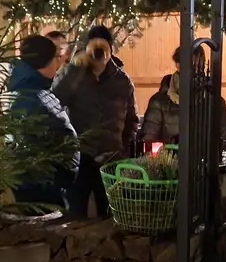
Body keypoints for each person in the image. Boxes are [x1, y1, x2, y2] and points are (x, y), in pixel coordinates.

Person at [52, 25, 138, 218]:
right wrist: (75, 68)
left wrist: (122, 148)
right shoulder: (74, 74)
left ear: (111, 49)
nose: (99, 52)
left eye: (104, 46)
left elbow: (132, 118)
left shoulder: (122, 81)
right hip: (80, 157)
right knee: (75, 214)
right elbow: (56, 100)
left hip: (111, 159)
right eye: (94, 46)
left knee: (111, 215)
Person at [7, 34, 78, 207]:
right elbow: (31, 148)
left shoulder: (38, 91)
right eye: (55, 57)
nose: (58, 63)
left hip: (50, 189)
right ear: (44, 61)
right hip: (41, 192)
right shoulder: (31, 98)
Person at [139, 45, 226, 148]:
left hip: (205, 163)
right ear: (177, 65)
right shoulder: (159, 102)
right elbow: (148, 143)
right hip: (170, 162)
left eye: (197, 66)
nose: (193, 71)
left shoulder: (214, 102)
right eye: (186, 65)